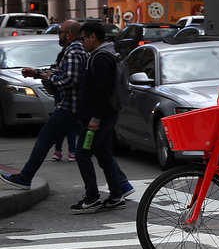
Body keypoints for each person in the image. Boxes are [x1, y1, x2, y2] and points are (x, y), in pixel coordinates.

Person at [1, 21, 87, 190]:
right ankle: (119, 185)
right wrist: (38, 73)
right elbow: (62, 72)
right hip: (75, 108)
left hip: (69, 107)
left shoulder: (73, 51)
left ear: (69, 34)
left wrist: (48, 78)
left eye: (61, 32)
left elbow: (69, 80)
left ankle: (25, 178)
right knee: (97, 150)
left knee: (44, 140)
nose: (59, 36)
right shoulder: (77, 50)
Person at [70, 22, 132, 212]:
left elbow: (102, 91)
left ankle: (92, 196)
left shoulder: (100, 58)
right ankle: (116, 195)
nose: (82, 42)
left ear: (92, 37)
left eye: (84, 38)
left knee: (82, 153)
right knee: (103, 154)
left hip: (98, 119)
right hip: (103, 116)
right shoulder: (101, 55)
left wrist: (95, 119)